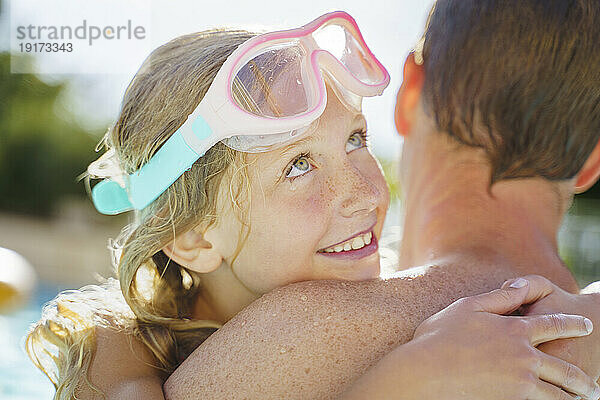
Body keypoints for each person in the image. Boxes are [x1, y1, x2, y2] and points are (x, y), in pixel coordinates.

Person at [26, 9, 598, 400]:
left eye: (355, 140)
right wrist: (401, 383)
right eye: (298, 165)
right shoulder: (119, 350)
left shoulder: (387, 303)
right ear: (196, 237)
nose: (366, 191)